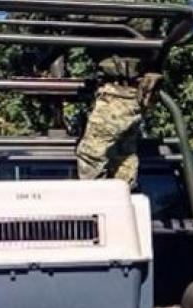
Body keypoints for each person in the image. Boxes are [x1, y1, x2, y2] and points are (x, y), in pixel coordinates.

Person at [75, 2, 166, 188]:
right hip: (127, 91)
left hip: (122, 92)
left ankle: (95, 207)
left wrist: (78, 12)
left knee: (91, 153)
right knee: (122, 156)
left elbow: (104, 16)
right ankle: (123, 200)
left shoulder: (126, 9)